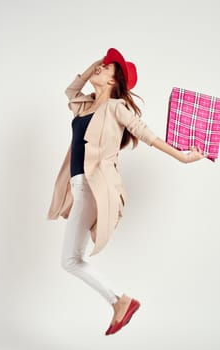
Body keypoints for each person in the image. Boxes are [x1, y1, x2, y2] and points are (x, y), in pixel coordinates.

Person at [47, 48, 204, 335]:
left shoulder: (116, 107)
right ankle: (120, 301)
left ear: (113, 80)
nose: (100, 67)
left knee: (69, 260)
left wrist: (182, 157)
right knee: (72, 259)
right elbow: (70, 90)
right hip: (80, 187)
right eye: (102, 64)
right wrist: (96, 66)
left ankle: (121, 300)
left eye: (107, 67)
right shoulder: (86, 105)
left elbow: (146, 134)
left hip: (94, 188)